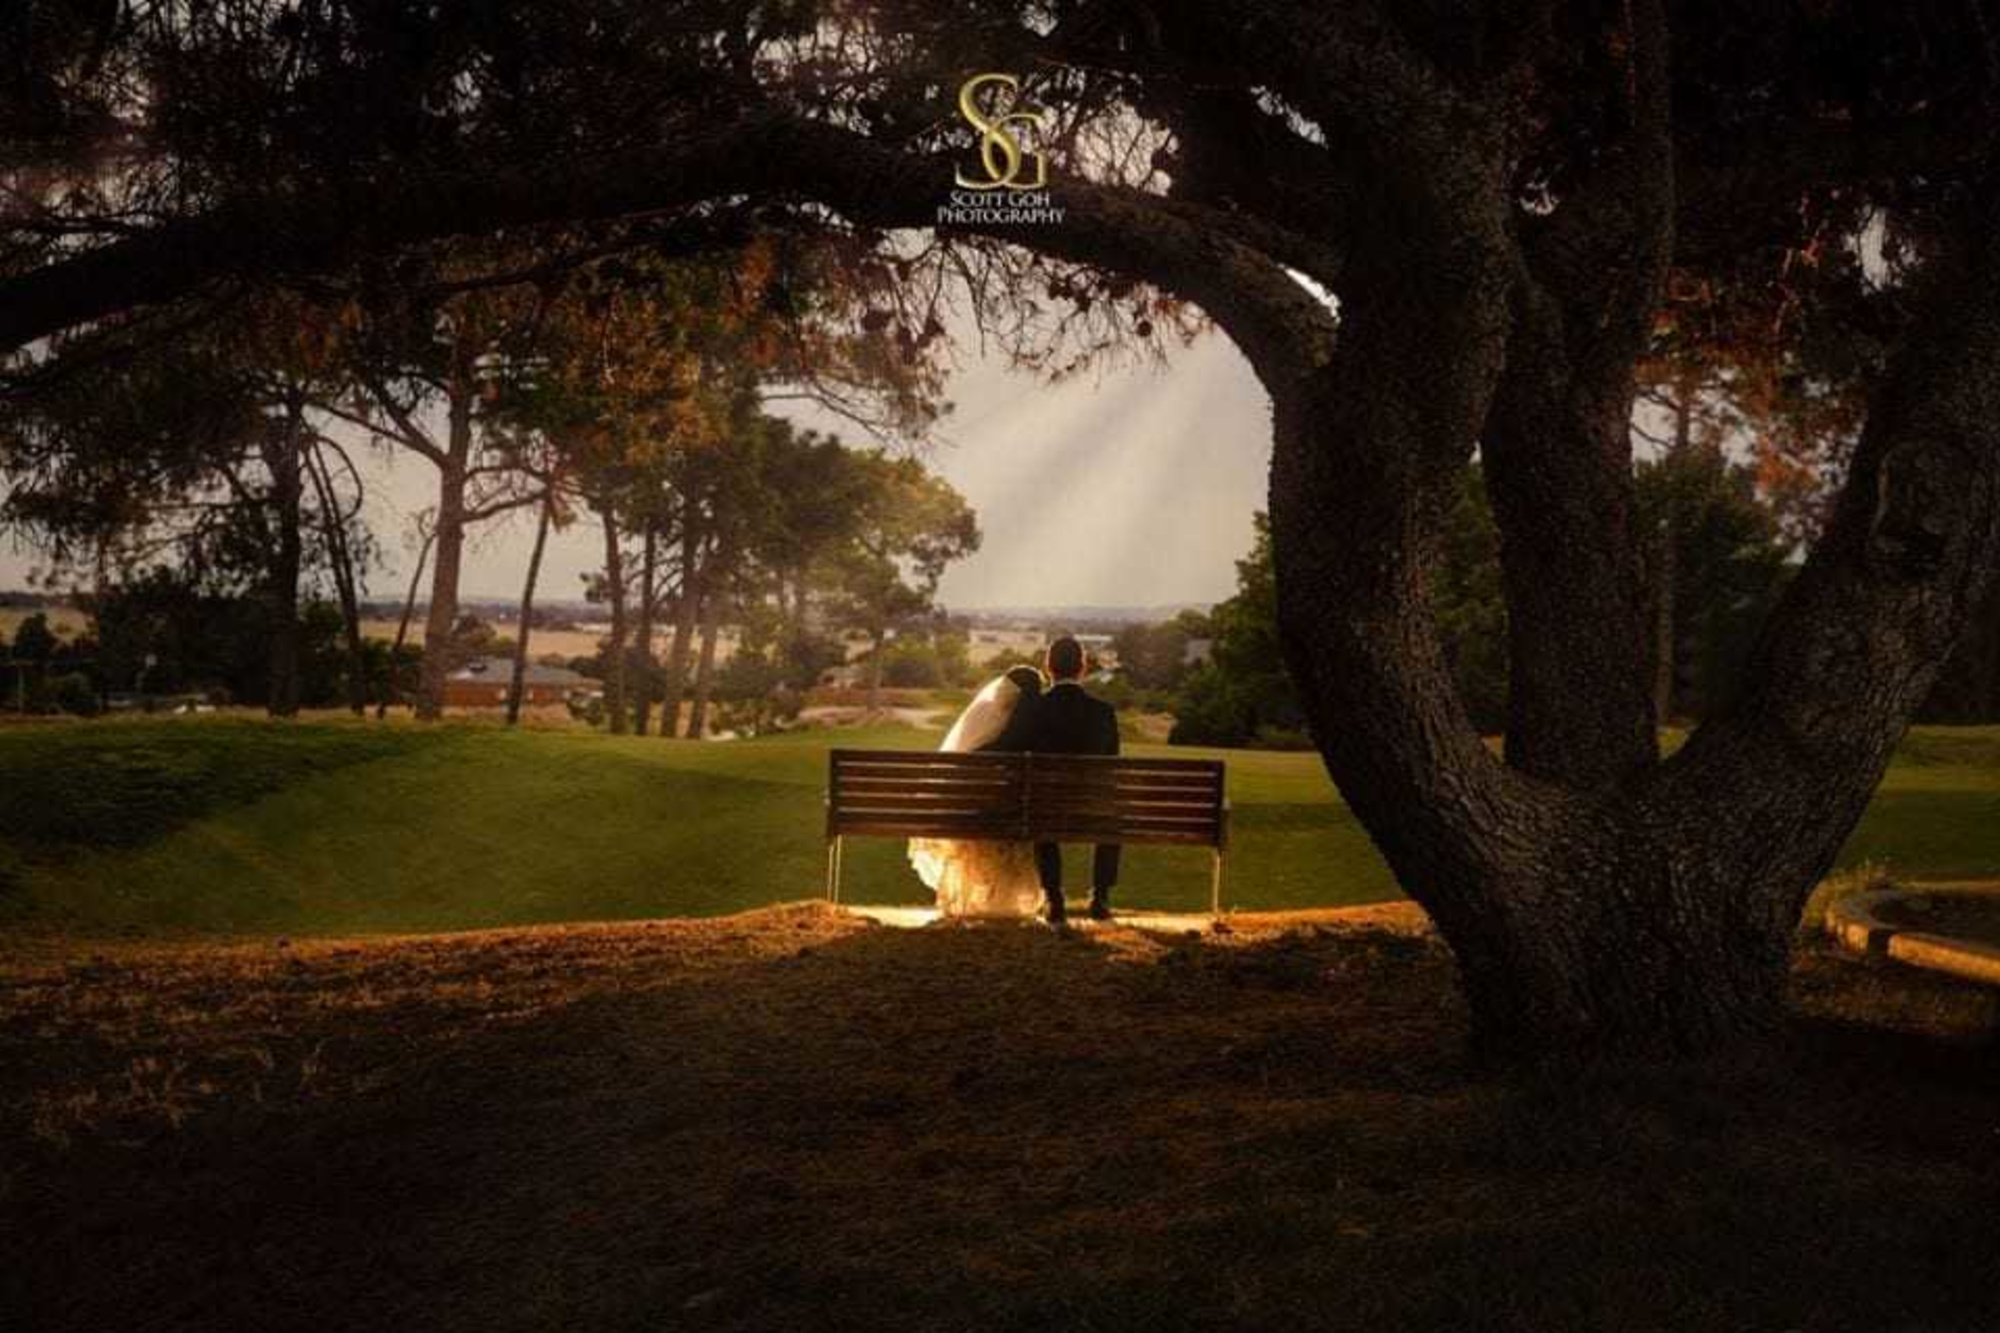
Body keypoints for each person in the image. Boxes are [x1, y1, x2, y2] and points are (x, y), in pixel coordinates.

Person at [906, 665, 1048, 917]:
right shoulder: (1033, 735)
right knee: (1012, 819)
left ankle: (978, 900)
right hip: (1017, 818)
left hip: (972, 815)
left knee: (988, 816)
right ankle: (1004, 902)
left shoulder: (984, 731)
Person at [1005, 635, 1121, 924]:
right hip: (1092, 810)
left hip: (1046, 809)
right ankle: (1101, 897)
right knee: (1112, 817)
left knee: (1042, 808)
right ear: (1082, 668)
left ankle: (1055, 898)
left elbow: (1015, 751)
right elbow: (1111, 765)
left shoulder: (1035, 709)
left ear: (1048, 668)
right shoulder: (1103, 713)